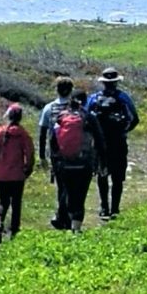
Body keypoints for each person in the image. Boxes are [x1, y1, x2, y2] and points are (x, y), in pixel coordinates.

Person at [38, 75, 96, 230]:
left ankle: (62, 216)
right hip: (80, 156)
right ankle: (71, 218)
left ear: (56, 90)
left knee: (62, 187)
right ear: (71, 90)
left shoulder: (49, 108)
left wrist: (43, 155)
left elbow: (43, 133)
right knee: (75, 188)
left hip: (58, 155)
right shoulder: (78, 110)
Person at [85, 67, 139, 220]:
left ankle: (104, 207)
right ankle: (115, 208)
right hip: (118, 142)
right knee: (117, 177)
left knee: (102, 174)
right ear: (116, 82)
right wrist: (123, 132)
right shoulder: (123, 97)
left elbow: (86, 118)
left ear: (103, 82)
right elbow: (135, 118)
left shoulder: (94, 99)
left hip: (100, 144)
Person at [0, 102, 33, 242]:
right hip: (18, 175)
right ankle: (14, 231)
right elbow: (29, 155)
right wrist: (27, 169)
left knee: (2, 201)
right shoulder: (23, 134)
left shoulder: (0, 132)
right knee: (16, 203)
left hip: (3, 174)